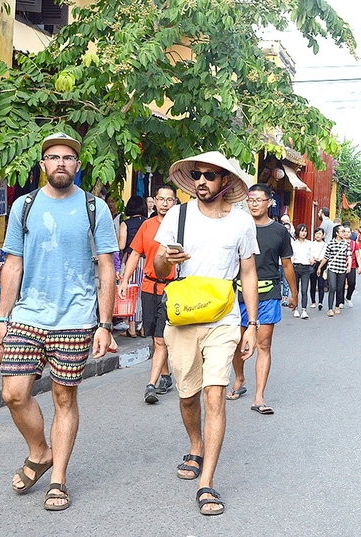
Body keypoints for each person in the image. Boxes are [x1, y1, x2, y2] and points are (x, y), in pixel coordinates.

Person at [0, 132, 118, 511]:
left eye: (68, 157)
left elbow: (107, 267)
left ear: (77, 166)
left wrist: (105, 324)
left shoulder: (95, 208)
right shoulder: (23, 207)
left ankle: (58, 478)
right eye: (53, 157)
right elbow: (13, 262)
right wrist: (1, 318)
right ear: (42, 164)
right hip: (28, 314)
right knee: (13, 393)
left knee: (65, 397)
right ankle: (40, 450)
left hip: (76, 317)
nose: (61, 163)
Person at [153, 150, 259, 516]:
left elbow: (248, 273)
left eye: (210, 176)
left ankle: (207, 482)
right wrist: (168, 259)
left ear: (224, 182)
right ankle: (195, 444)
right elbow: (157, 264)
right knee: (187, 396)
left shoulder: (242, 222)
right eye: (197, 175)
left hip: (224, 316)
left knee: (214, 395)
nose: (202, 181)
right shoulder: (177, 216)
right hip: (182, 316)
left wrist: (251, 324)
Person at [228, 183, 297, 415]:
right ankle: (239, 378)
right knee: (239, 344)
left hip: (268, 294)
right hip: (238, 294)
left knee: (263, 344)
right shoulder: (238, 226)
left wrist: (294, 293)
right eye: (250, 199)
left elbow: (287, 264)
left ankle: (259, 397)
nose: (254, 203)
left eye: (259, 200)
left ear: (269, 202)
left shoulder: (279, 231)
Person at [118, 185, 177, 404]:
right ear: (155, 201)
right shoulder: (146, 225)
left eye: (168, 200)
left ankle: (151, 385)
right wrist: (124, 280)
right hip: (148, 287)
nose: (164, 203)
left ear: (175, 203)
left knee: (161, 338)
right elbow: (134, 254)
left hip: (172, 288)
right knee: (154, 335)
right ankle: (166, 375)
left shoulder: (180, 227)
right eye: (160, 199)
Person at [117, 195, 147, 337]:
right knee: (143, 292)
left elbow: (121, 245)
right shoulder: (149, 223)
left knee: (131, 292)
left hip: (131, 259)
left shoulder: (126, 224)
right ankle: (144, 327)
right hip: (146, 261)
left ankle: (132, 328)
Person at [316, 224, 351, 316]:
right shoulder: (331, 243)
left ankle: (337, 306)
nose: (344, 233)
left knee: (340, 288)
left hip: (342, 268)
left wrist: (349, 266)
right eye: (342, 231)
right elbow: (326, 257)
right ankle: (330, 309)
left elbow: (349, 256)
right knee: (332, 287)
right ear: (336, 233)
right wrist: (320, 267)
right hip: (332, 268)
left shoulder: (346, 243)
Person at [291, 223, 313, 319]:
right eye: (302, 231)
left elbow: (311, 255)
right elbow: (291, 256)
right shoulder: (293, 244)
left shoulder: (309, 244)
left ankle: (304, 310)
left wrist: (312, 259)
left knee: (304, 289)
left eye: (305, 231)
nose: (304, 233)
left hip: (305, 268)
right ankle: (295, 308)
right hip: (295, 267)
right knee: (295, 290)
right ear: (298, 232)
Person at [343, 223, 361, 307]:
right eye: (344, 231)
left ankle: (348, 297)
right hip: (340, 265)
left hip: (352, 266)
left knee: (352, 283)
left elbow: (357, 255)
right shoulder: (339, 242)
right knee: (340, 285)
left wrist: (360, 266)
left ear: (351, 233)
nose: (346, 233)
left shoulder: (354, 244)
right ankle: (340, 301)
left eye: (348, 232)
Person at [309, 228, 327, 310]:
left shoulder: (325, 245)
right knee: (312, 284)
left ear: (323, 235)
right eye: (316, 233)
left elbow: (326, 256)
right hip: (313, 264)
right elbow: (310, 253)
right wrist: (312, 258)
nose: (318, 235)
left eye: (319, 233)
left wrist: (320, 264)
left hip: (322, 264)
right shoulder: (311, 244)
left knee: (321, 284)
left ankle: (320, 302)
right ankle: (313, 301)